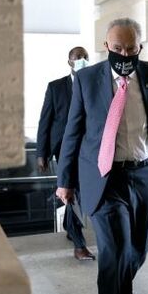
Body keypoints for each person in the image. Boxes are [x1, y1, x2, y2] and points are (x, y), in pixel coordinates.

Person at [56, 18, 148, 294]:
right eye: (117, 48)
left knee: (139, 246)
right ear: (106, 46)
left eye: (131, 49)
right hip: (104, 176)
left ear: (140, 47)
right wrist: (65, 181)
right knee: (117, 249)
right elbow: (73, 131)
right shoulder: (87, 80)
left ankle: (122, 288)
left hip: (146, 173)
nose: (124, 55)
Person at [36, 46, 96, 261]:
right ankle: (79, 245)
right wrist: (41, 153)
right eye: (77, 57)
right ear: (69, 62)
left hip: (88, 149)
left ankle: (69, 227)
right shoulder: (56, 87)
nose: (82, 60)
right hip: (63, 149)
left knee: (77, 192)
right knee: (71, 192)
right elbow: (45, 120)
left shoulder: (94, 83)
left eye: (85, 57)